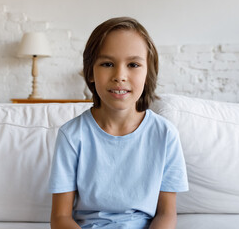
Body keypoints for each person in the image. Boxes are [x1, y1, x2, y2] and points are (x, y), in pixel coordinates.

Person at [49, 17, 188, 229]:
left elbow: (166, 215)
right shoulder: (71, 135)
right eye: (107, 64)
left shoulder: (165, 134)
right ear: (91, 72)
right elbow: (60, 218)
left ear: (148, 74)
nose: (120, 76)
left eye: (133, 64)